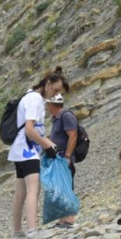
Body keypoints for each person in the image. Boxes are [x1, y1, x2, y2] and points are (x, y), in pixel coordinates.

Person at [8, 67, 70, 239]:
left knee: (21, 191)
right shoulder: (35, 99)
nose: (56, 94)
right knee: (33, 189)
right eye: (55, 90)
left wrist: (45, 143)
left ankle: (17, 232)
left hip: (19, 150)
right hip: (28, 150)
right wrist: (48, 145)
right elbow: (30, 129)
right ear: (48, 83)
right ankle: (32, 231)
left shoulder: (32, 97)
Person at [46, 93, 78, 228]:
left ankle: (69, 220)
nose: (46, 107)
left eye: (47, 104)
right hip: (58, 158)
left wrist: (67, 156)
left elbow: (73, 136)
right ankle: (62, 219)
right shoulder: (57, 118)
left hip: (64, 157)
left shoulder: (66, 116)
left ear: (52, 104)